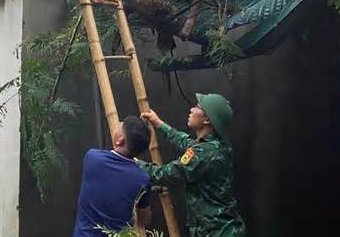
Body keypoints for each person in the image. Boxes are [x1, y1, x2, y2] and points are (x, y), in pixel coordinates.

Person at [140, 93, 246, 237]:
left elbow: (168, 173)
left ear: (207, 119)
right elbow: (186, 143)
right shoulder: (215, 146)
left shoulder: (205, 152)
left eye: (197, 107)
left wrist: (135, 164)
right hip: (221, 229)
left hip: (216, 232)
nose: (191, 110)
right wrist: (159, 123)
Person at [72, 116, 153, 236]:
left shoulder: (92, 158)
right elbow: (145, 219)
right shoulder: (142, 178)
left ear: (120, 140)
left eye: (120, 125)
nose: (118, 125)